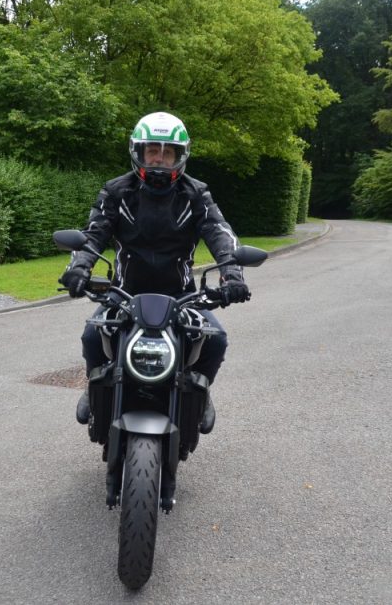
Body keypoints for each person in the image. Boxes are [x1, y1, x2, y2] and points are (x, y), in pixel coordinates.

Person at [58, 111, 251, 434]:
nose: (160, 159)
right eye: (153, 151)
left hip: (182, 295)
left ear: (179, 155)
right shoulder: (117, 191)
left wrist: (232, 275)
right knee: (92, 335)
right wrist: (79, 268)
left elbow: (219, 232)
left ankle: (200, 392)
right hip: (124, 293)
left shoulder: (196, 194)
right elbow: (93, 233)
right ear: (139, 152)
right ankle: (94, 390)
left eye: (168, 152)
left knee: (215, 340)